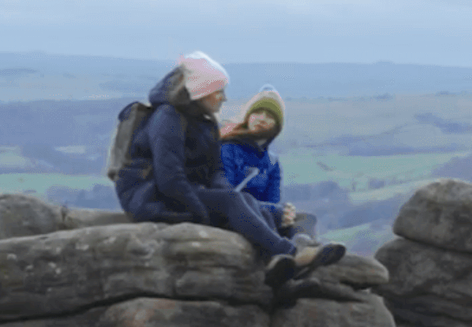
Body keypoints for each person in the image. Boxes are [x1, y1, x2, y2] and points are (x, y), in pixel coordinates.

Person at [112, 54, 335, 287]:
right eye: (218, 91)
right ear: (200, 91)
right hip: (151, 197)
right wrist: (203, 215)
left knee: (244, 200)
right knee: (232, 202)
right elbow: (170, 180)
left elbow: (216, 171)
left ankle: (279, 270)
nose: (224, 97)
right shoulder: (167, 118)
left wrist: (227, 196)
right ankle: (290, 253)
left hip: (180, 193)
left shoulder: (205, 122)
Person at [216, 87, 343, 275]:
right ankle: (283, 261)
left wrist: (285, 213)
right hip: (237, 214)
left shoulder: (272, 162)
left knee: (306, 219)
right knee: (269, 216)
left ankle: (305, 254)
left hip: (262, 211)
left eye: (269, 115)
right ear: (248, 117)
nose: (261, 118)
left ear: (276, 125)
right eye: (257, 112)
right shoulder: (228, 148)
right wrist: (276, 211)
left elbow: (273, 200)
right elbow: (229, 193)